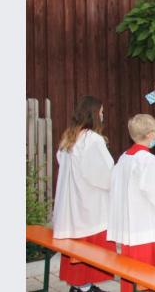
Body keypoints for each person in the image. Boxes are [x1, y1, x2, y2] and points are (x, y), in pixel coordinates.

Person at [51, 96, 115, 292]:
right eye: (101, 112)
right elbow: (106, 172)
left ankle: (81, 285)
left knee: (76, 248)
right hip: (89, 205)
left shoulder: (69, 136)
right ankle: (84, 288)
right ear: (94, 114)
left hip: (71, 205)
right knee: (90, 249)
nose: (103, 116)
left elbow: (63, 163)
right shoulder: (93, 140)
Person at [108, 114, 155, 292]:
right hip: (151, 229)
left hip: (131, 229)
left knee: (134, 276)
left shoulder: (123, 158)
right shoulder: (150, 162)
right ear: (149, 135)